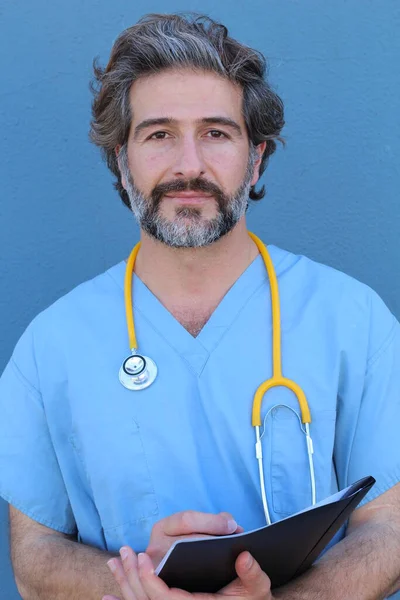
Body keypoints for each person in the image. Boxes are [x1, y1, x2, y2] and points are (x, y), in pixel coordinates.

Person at [0, 12, 399, 600]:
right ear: (121, 160)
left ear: (256, 158)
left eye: (216, 132)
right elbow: (33, 553)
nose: (189, 164)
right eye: (159, 134)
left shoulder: (355, 322)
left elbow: (390, 530)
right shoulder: (51, 345)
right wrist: (134, 585)